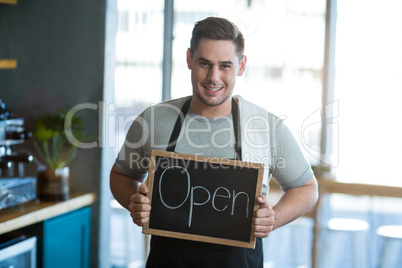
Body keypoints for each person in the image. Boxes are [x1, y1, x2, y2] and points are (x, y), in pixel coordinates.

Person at [110, 17, 318, 268]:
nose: (213, 77)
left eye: (225, 66)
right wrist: (135, 200)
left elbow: (307, 188)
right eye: (204, 63)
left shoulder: (266, 127)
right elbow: (121, 174)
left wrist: (273, 217)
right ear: (189, 59)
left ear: (241, 66)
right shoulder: (153, 120)